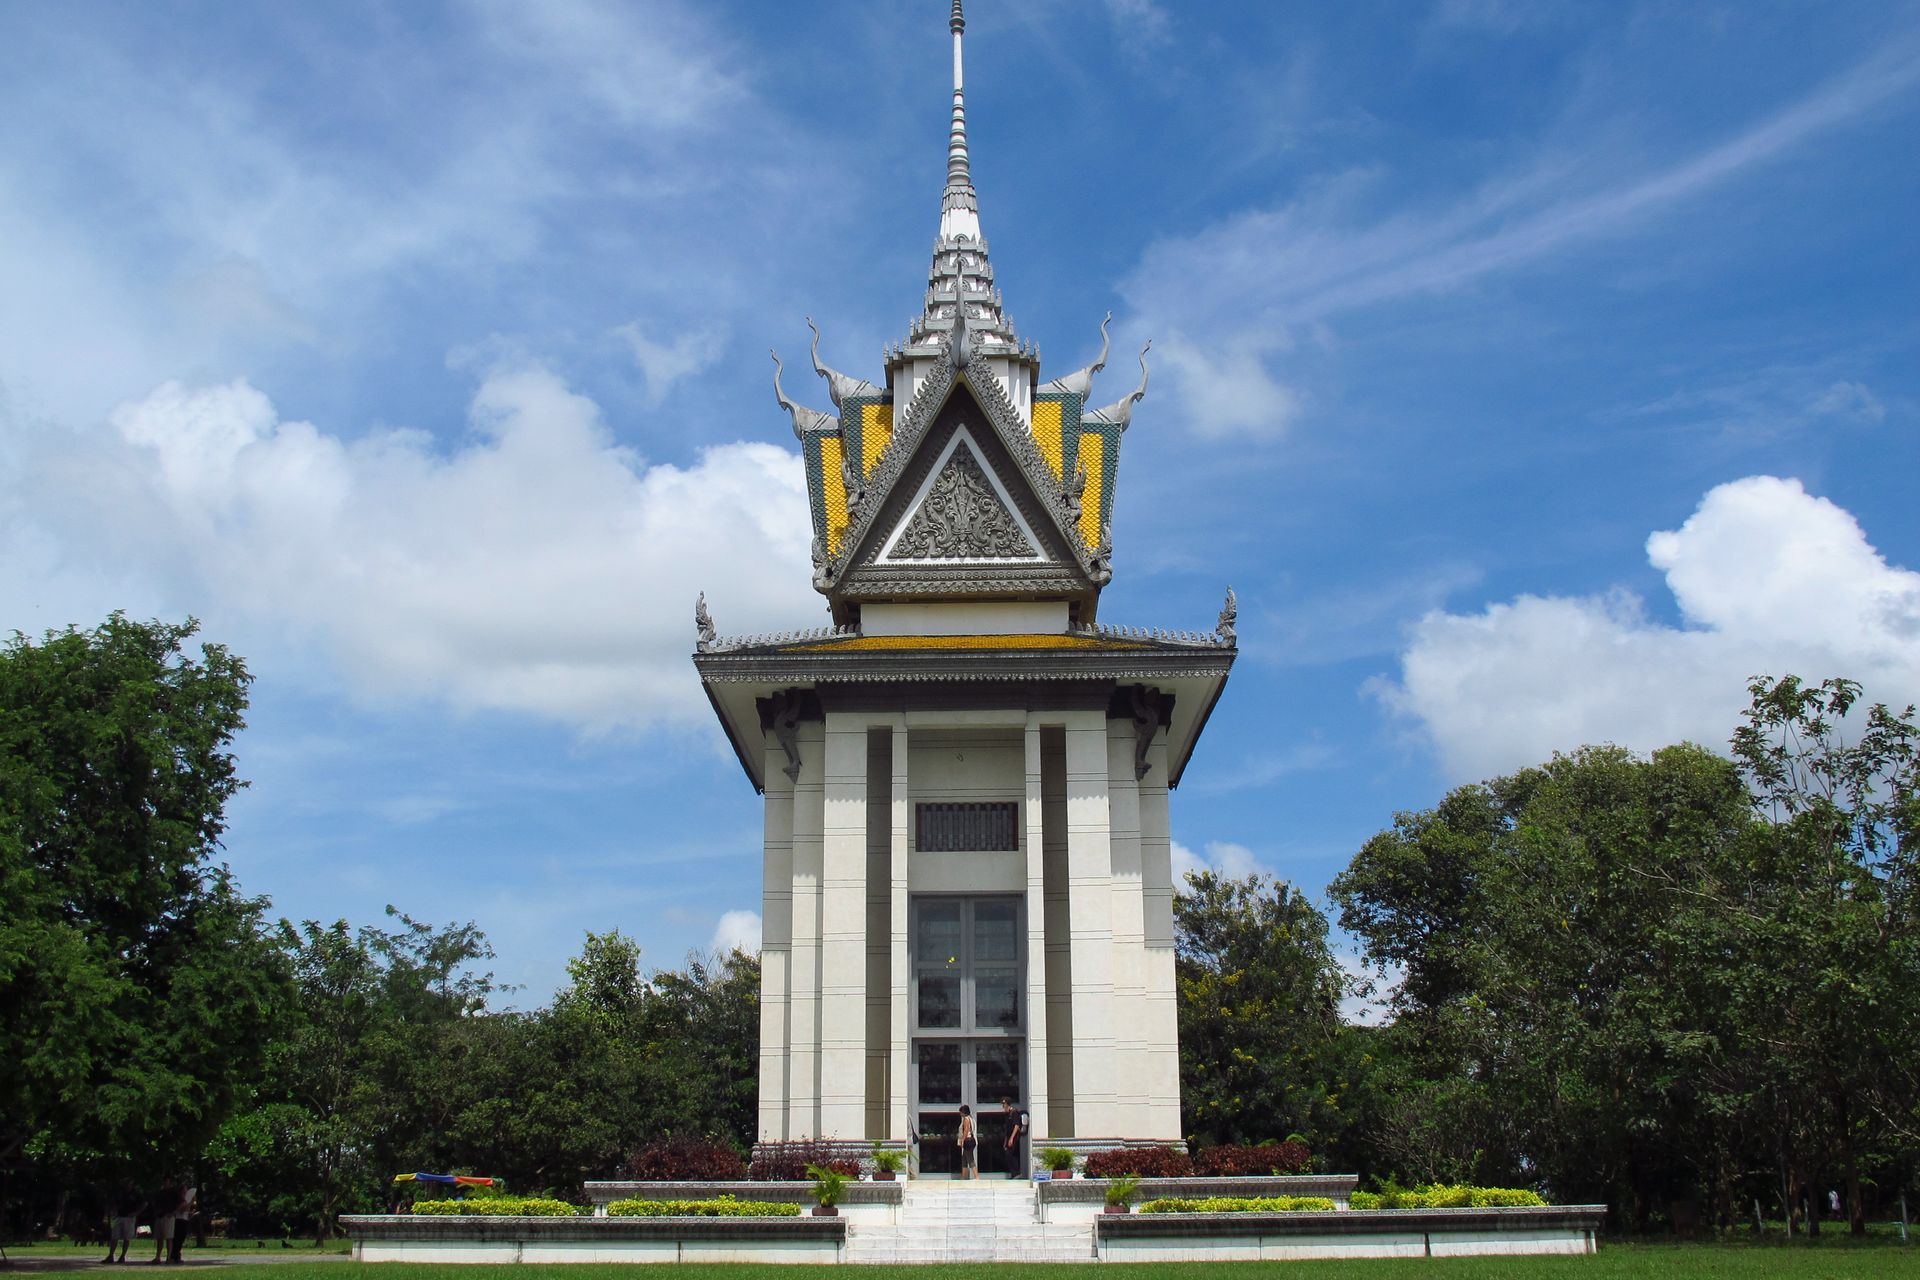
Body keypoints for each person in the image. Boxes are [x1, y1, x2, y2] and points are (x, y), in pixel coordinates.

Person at [104, 1184, 140, 1264]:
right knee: (114, 1237)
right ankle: (111, 1255)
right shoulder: (119, 1192)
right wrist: (111, 1212)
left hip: (129, 1217)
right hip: (118, 1216)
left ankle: (123, 1256)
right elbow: (111, 1203)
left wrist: (136, 1213)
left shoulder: (135, 1194)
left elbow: (144, 1203)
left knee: (126, 1238)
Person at [149, 1180, 181, 1265]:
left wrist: (173, 1212)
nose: (165, 1184)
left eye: (167, 1182)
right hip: (160, 1216)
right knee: (159, 1238)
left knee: (168, 1237)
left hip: (168, 1217)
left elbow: (182, 1202)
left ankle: (168, 1257)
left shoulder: (174, 1193)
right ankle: (157, 1257)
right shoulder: (160, 1193)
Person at [1001, 1097, 1029, 1179]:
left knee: (1012, 1154)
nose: (1003, 1106)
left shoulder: (1014, 1112)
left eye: (1004, 1104)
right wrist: (1006, 1141)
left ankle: (1017, 1173)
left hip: (1014, 1137)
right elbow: (1007, 1130)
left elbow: (1016, 1126)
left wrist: (1011, 1138)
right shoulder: (1007, 1114)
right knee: (1008, 1155)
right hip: (1009, 1136)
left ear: (1008, 1104)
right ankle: (1014, 1173)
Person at [957, 1105, 977, 1180]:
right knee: (964, 1159)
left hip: (967, 1141)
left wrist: (962, 1140)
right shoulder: (972, 1119)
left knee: (970, 1158)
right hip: (971, 1140)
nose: (960, 1114)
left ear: (963, 1112)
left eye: (961, 1112)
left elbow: (966, 1130)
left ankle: (976, 1176)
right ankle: (963, 1176)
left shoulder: (966, 1119)